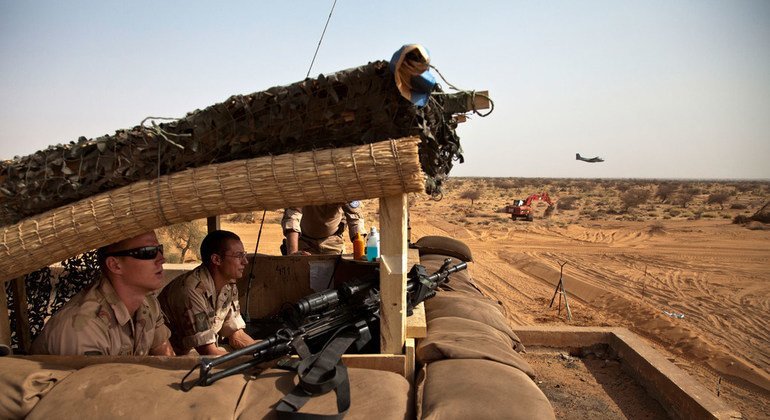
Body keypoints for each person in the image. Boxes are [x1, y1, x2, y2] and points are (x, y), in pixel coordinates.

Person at [31, 231, 175, 356]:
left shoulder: (148, 304)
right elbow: (92, 386)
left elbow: (166, 358)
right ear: (115, 265)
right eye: (148, 252)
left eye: (159, 249)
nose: (161, 259)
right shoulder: (84, 326)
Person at [158, 230, 256, 355]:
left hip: (200, 354)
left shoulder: (228, 285)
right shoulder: (191, 290)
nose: (245, 261)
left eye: (244, 255)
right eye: (238, 256)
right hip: (174, 360)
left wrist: (263, 352)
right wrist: (254, 361)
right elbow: (208, 352)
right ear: (216, 259)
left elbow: (236, 334)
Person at [281, 202, 365, 255]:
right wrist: (293, 253)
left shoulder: (342, 184)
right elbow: (292, 216)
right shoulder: (302, 184)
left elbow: (355, 218)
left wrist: (360, 252)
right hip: (304, 242)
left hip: (333, 242)